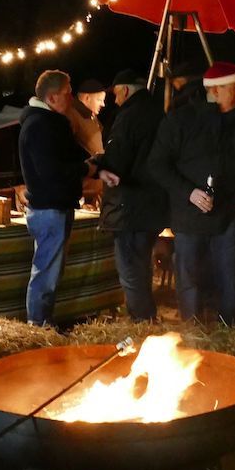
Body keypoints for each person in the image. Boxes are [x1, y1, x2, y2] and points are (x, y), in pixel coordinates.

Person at [150, 61, 235, 323]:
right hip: (189, 218)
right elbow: (157, 164)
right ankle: (193, 336)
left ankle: (229, 336)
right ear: (215, 90)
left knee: (229, 281)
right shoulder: (180, 120)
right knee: (189, 281)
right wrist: (188, 192)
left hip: (229, 217)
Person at [19, 70, 98, 325]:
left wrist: (95, 167)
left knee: (50, 271)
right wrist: (86, 169)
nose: (71, 97)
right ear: (52, 97)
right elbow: (52, 171)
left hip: (54, 206)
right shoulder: (40, 126)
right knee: (46, 273)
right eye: (67, 93)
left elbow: (71, 156)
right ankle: (38, 325)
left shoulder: (49, 123)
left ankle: (42, 322)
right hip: (49, 208)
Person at [92, 69, 168, 321]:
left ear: (125, 90)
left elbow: (118, 161)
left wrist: (98, 165)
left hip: (130, 206)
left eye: (115, 94)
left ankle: (141, 321)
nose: (114, 100)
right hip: (155, 205)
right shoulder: (160, 112)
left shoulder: (129, 116)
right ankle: (146, 318)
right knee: (142, 266)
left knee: (131, 270)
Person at [69, 79, 107, 156]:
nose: (103, 104)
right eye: (99, 100)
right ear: (87, 98)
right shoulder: (73, 116)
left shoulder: (90, 114)